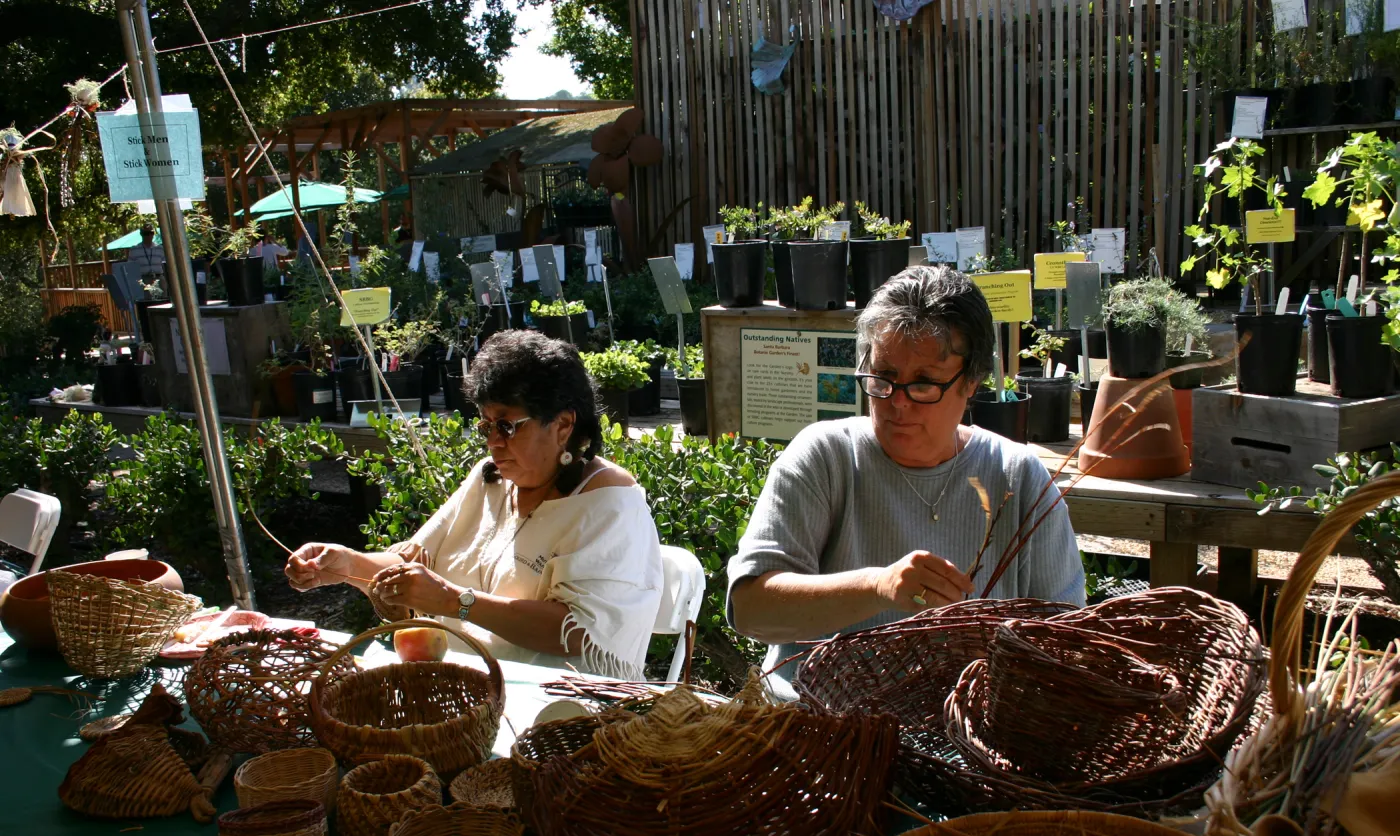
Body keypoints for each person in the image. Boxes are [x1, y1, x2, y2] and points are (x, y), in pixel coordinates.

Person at [727, 265, 1085, 696]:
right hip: (815, 722)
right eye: (883, 377)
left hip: (968, 726)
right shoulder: (826, 457)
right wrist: (877, 587)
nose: (898, 403)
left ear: (971, 382)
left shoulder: (1018, 478)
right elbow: (750, 609)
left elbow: (1065, 639)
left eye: (924, 384)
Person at [285, 330, 664, 679]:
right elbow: (415, 566)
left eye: (508, 426)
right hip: (466, 687)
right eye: (486, 426)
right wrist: (349, 565)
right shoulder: (490, 479)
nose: (493, 442)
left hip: (564, 701)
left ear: (563, 425)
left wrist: (456, 602)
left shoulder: (610, 505)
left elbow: (578, 633)